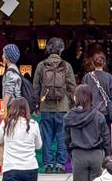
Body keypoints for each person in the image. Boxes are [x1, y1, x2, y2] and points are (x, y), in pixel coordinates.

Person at [33, 37, 75, 173]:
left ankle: (48, 164)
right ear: (61, 50)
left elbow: (36, 88)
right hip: (63, 107)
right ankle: (60, 164)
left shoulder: (41, 65)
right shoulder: (66, 66)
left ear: (48, 49)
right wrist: (72, 105)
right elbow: (72, 87)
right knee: (61, 136)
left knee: (46, 137)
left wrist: (36, 105)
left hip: (45, 107)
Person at [65, 85, 108, 181]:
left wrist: (70, 152)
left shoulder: (69, 117)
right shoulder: (99, 116)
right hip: (96, 154)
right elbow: (106, 138)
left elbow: (66, 138)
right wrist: (108, 156)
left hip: (78, 154)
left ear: (76, 97)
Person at [0, 97, 42, 181]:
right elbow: (38, 146)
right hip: (30, 167)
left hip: (11, 167)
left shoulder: (7, 123)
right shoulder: (34, 124)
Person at [82, 53, 112, 155]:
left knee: (91, 138)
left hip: (90, 113)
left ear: (93, 63)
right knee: (106, 139)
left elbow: (83, 95)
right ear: (104, 63)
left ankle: (93, 158)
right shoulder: (109, 77)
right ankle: (106, 160)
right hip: (105, 113)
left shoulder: (87, 77)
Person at [0, 43, 23, 118]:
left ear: (8, 57)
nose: (2, 56)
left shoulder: (11, 72)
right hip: (16, 106)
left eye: (4, 54)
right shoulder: (14, 69)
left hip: (13, 107)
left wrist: (2, 109)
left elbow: (8, 92)